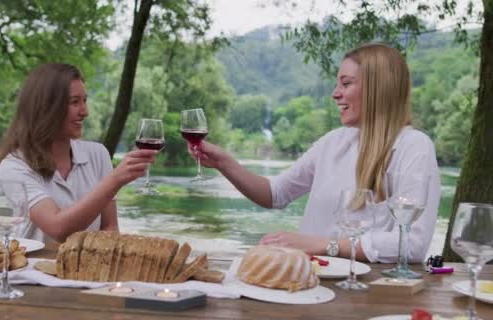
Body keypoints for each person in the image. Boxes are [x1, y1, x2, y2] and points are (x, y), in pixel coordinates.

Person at [188, 43, 440, 263]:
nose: (335, 93)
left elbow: (412, 245)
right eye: (336, 83)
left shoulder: (414, 146)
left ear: (378, 89)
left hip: (370, 291)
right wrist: (224, 163)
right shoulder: (333, 142)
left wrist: (324, 245)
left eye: (346, 83)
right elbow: (275, 194)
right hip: (314, 278)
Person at [0, 63, 157, 243]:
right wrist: (115, 180)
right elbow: (57, 228)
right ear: (46, 107)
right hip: (32, 269)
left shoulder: (98, 154)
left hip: (85, 269)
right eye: (74, 102)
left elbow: (109, 227)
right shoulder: (14, 166)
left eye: (85, 101)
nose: (85, 112)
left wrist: (90, 266)